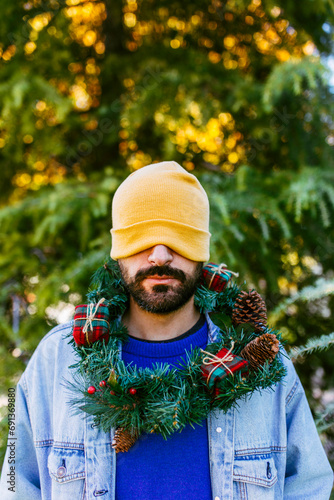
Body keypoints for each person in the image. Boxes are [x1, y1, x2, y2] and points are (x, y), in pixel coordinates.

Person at [0, 160, 333, 500]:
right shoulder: (55, 362)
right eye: (141, 237)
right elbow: (14, 487)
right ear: (119, 248)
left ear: (201, 247)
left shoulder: (260, 365)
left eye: (179, 236)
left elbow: (310, 487)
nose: (159, 256)